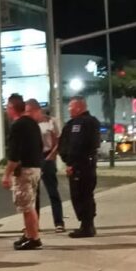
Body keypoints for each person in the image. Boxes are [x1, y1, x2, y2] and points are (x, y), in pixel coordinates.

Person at [1, 94, 44, 250]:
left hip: (24, 170)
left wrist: (6, 174)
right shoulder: (33, 124)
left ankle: (34, 238)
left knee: (26, 206)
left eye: (7, 107)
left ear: (12, 108)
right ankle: (29, 234)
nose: (6, 110)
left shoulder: (18, 125)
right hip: (35, 168)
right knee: (30, 203)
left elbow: (14, 155)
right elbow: (40, 147)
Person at [59, 96, 101, 238]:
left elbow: (76, 146)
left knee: (80, 195)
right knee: (86, 195)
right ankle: (87, 225)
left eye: (71, 107)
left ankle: (86, 226)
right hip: (87, 164)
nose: (69, 110)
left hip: (80, 165)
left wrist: (70, 163)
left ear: (79, 107)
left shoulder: (80, 123)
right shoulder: (91, 122)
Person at [26, 100, 65, 233]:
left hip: (47, 156)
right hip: (35, 157)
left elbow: (59, 140)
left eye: (30, 111)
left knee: (52, 190)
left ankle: (59, 222)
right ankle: (34, 224)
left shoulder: (50, 121)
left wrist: (52, 155)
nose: (28, 113)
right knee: (33, 194)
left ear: (38, 110)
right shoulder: (30, 124)